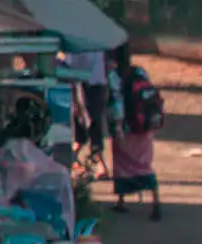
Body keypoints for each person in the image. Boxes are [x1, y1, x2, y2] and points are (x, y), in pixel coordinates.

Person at [108, 46, 163, 220]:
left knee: (122, 163)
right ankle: (155, 200)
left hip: (127, 127)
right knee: (144, 163)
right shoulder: (140, 72)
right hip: (144, 126)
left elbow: (116, 103)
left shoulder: (114, 76)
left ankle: (121, 201)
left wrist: (118, 127)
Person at [65, 48, 109, 177]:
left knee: (92, 122)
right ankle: (97, 160)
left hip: (97, 81)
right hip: (84, 82)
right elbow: (71, 66)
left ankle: (73, 157)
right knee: (91, 122)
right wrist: (75, 99)